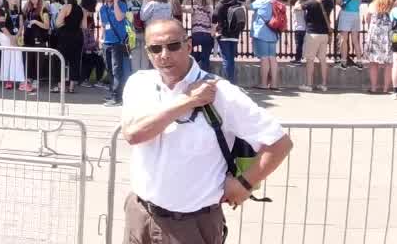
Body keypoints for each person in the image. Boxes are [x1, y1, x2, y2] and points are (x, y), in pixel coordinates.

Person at [121, 18, 293, 244]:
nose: (164, 54)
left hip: (191, 224)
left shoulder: (221, 92)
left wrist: (244, 184)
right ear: (148, 51)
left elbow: (280, 143)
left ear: (189, 45)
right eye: (156, 48)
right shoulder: (140, 83)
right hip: (140, 214)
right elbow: (133, 134)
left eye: (173, 46)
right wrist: (186, 102)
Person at [99, 0, 132, 106]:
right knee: (109, 70)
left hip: (117, 42)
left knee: (117, 70)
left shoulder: (121, 5)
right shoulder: (102, 9)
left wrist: (116, 2)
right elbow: (103, 25)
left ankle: (117, 98)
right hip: (106, 42)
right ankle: (113, 93)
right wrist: (100, 39)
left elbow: (119, 18)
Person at [301, 0, 335, 91]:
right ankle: (324, 84)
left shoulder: (311, 3)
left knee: (310, 60)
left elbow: (297, 7)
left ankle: (309, 84)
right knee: (323, 59)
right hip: (324, 34)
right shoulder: (329, 2)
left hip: (313, 33)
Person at [249, 0, 282, 91]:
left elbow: (248, 6)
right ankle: (274, 84)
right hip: (273, 32)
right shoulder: (276, 1)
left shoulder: (262, 1)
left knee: (264, 58)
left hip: (261, 32)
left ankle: (263, 83)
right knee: (272, 58)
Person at [363, 0, 395, 94]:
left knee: (373, 63)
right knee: (388, 64)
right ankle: (386, 88)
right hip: (387, 34)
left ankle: (373, 87)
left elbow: (367, 19)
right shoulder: (392, 6)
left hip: (375, 34)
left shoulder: (372, 5)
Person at [53, 0, 85, 95]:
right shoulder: (81, 9)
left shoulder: (66, 7)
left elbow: (57, 23)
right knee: (74, 61)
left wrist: (65, 24)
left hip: (66, 36)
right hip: (78, 36)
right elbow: (84, 26)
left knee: (61, 60)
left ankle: (60, 86)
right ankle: (71, 87)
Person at [0, 0, 29, 92]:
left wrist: (17, 35)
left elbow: (21, 24)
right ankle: (8, 80)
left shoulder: (18, 10)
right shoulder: (3, 10)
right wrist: (10, 37)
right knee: (7, 57)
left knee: (17, 57)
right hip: (5, 36)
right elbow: (1, 25)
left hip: (15, 36)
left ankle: (20, 81)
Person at [212, 0, 243, 84]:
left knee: (226, 59)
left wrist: (213, 32)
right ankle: (232, 80)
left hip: (224, 34)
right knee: (231, 59)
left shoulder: (220, 5)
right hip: (235, 34)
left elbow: (214, 20)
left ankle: (229, 82)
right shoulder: (236, 3)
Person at [21, 0, 50, 82]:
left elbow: (46, 26)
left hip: (39, 38)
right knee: (28, 59)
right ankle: (28, 79)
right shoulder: (27, 8)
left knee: (38, 60)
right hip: (28, 37)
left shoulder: (43, 9)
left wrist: (35, 21)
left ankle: (37, 79)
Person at [337, 0, 363, 69]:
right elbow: (359, 2)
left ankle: (343, 61)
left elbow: (339, 1)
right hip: (356, 14)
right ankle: (359, 61)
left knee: (344, 38)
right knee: (355, 39)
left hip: (346, 14)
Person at [184, 0, 214, 73]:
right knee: (206, 57)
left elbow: (182, 8)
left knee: (188, 50)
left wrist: (185, 0)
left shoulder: (194, 8)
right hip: (207, 35)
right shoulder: (209, 9)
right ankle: (205, 73)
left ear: (198, 0)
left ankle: (193, 65)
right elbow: (213, 20)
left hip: (196, 34)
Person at [288, 0, 307, 67]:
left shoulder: (299, 5)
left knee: (299, 44)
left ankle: (298, 59)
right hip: (303, 28)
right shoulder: (303, 5)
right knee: (301, 44)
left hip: (299, 28)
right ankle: (299, 57)